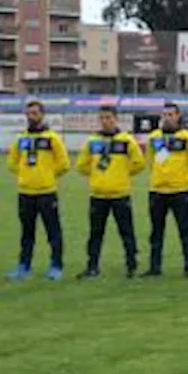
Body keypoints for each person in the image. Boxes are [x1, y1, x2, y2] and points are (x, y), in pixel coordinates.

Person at [75, 105, 145, 279]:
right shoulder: (93, 141)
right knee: (95, 233)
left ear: (116, 119)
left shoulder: (126, 140)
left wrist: (122, 174)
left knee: (126, 231)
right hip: (98, 195)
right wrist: (96, 177)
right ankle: (92, 266)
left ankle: (131, 265)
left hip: (120, 194)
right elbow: (81, 165)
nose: (105, 121)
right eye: (102, 118)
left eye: (109, 118)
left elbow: (139, 163)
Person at [6, 99, 70, 281]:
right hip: (25, 193)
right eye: (28, 114)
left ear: (42, 114)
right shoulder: (21, 139)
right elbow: (12, 163)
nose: (30, 117)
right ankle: (23, 266)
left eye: (34, 113)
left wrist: (47, 176)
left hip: (46, 192)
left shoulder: (52, 138)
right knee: (27, 233)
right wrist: (26, 176)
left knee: (53, 232)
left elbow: (64, 164)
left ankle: (56, 266)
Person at [142, 102, 188, 277]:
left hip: (180, 191)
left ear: (178, 116)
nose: (167, 118)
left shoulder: (187, 138)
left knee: (185, 231)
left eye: (170, 114)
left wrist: (182, 179)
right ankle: (154, 267)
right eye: (164, 114)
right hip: (157, 191)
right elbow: (151, 161)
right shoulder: (154, 137)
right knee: (156, 232)